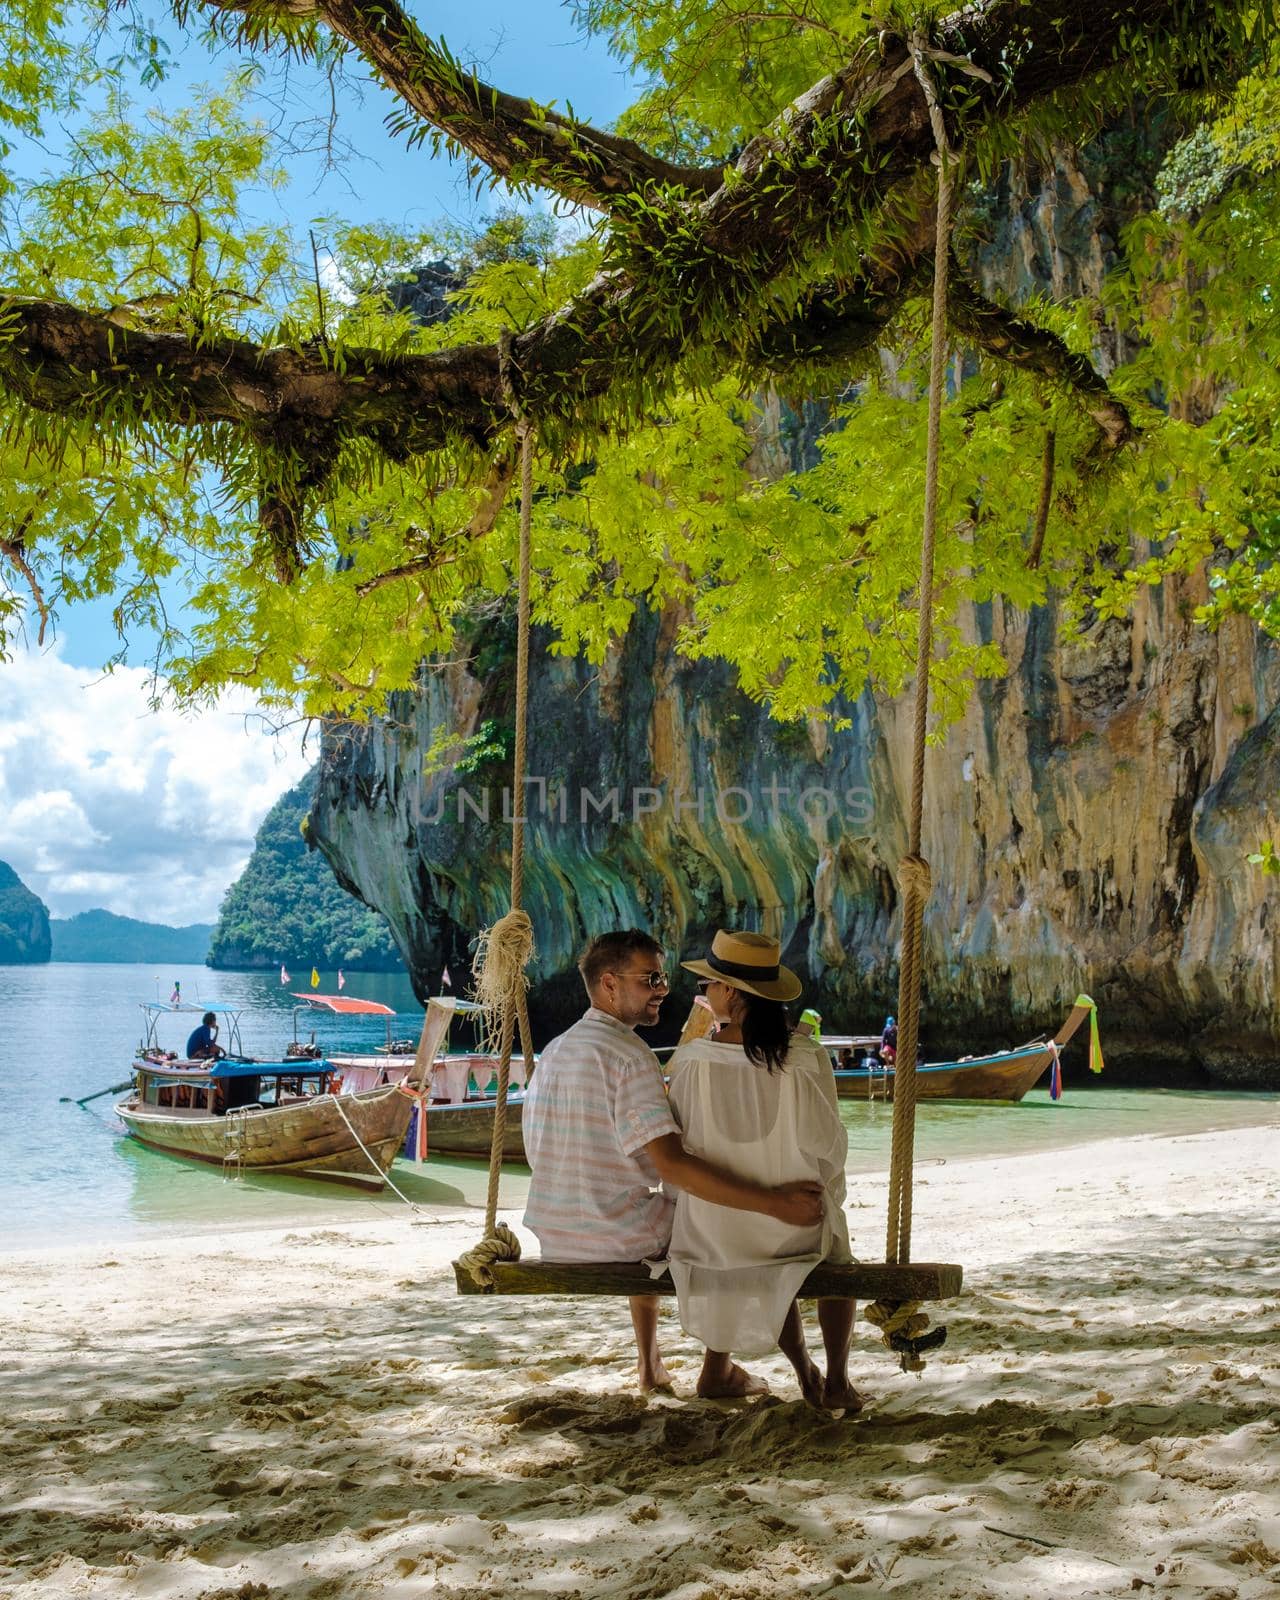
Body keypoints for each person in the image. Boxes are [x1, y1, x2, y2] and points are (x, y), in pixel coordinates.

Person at [522, 929, 824, 1395]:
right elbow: (674, 1167)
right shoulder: (629, 1056)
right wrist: (773, 1202)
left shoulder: (555, 1050)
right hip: (616, 1235)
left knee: (656, 1203)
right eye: (650, 979)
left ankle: (651, 1365)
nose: (663, 988)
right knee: (725, 1221)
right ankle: (722, 1372)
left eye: (662, 977)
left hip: (555, 1229)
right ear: (608, 984)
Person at [666, 930, 863, 1412]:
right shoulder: (805, 1057)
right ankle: (836, 1377)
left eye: (709, 983)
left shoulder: (692, 1061)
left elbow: (678, 1141)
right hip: (792, 1232)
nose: (704, 992)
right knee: (835, 1249)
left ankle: (803, 1370)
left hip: (713, 1237)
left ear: (730, 992)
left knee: (765, 1247)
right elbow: (830, 1150)